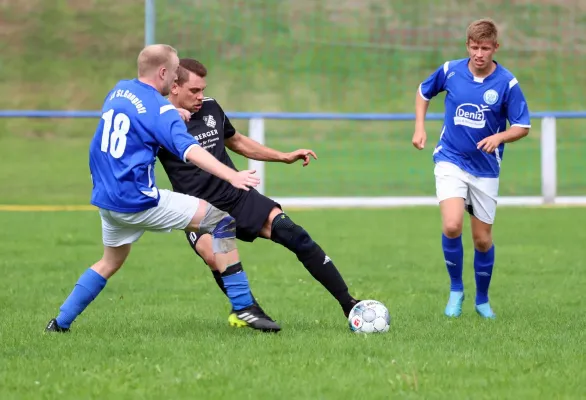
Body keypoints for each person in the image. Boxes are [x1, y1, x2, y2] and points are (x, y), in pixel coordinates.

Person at [45, 44, 280, 333]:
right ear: (164, 72)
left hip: (107, 199)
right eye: (175, 70)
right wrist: (230, 175)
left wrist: (170, 110)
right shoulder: (161, 111)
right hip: (138, 200)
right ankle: (245, 307)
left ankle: (60, 322)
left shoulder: (119, 90)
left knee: (110, 261)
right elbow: (191, 150)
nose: (177, 78)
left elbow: (142, 114)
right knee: (222, 222)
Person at [157, 58, 362, 322]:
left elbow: (238, 142)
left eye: (203, 90)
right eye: (194, 91)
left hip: (235, 194)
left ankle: (349, 304)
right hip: (198, 209)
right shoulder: (157, 120)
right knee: (215, 256)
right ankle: (248, 312)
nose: (201, 96)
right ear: (174, 86)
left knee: (295, 234)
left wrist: (284, 156)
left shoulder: (210, 108)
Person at [411, 19, 531, 319]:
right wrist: (419, 128)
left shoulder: (507, 83)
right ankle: (455, 290)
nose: (479, 54)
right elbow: (424, 92)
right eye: (475, 47)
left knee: (482, 239)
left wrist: (500, 137)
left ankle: (481, 299)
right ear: (468, 46)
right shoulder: (450, 70)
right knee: (452, 225)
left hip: (485, 169)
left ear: (495, 48)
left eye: (485, 48)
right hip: (450, 159)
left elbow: (523, 125)